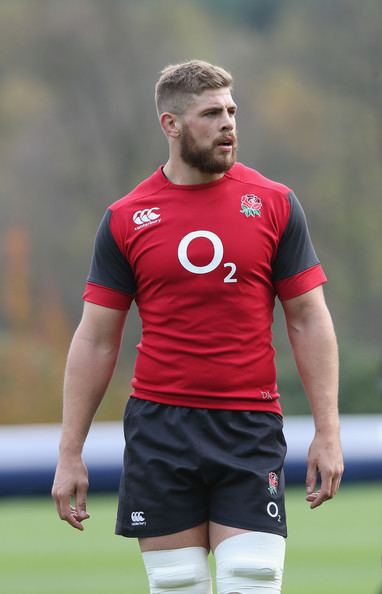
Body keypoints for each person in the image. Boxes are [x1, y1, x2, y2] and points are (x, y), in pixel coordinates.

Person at [52, 60, 344, 594]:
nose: (229, 123)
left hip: (248, 426)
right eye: (211, 114)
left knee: (251, 581)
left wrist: (328, 431)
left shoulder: (275, 203)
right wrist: (70, 451)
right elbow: (96, 339)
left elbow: (308, 319)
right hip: (159, 430)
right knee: (177, 587)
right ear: (171, 124)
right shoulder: (125, 217)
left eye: (232, 111)